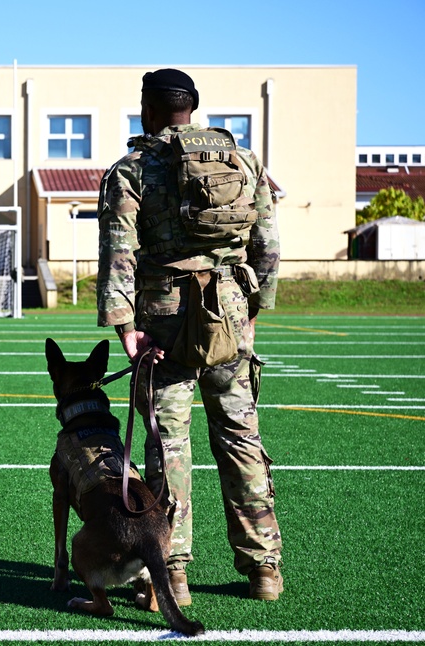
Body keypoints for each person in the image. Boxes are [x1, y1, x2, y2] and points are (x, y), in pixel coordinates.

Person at [96, 69, 282, 604]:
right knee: (241, 441)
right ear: (192, 108)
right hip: (228, 314)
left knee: (167, 448)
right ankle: (264, 569)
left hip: (164, 321)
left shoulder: (131, 168)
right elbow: (267, 244)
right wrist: (253, 310)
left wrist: (125, 326)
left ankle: (171, 572)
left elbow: (120, 254)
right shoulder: (243, 161)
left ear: (147, 110)